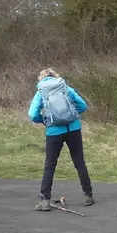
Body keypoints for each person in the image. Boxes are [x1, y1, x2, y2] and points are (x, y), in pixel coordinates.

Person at [28, 68, 94, 211]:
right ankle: (88, 195)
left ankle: (45, 201)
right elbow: (82, 105)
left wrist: (45, 120)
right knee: (79, 162)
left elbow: (32, 114)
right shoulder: (66, 88)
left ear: (42, 79)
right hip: (74, 129)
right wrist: (73, 116)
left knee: (50, 165)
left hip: (54, 132)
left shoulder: (41, 92)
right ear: (55, 77)